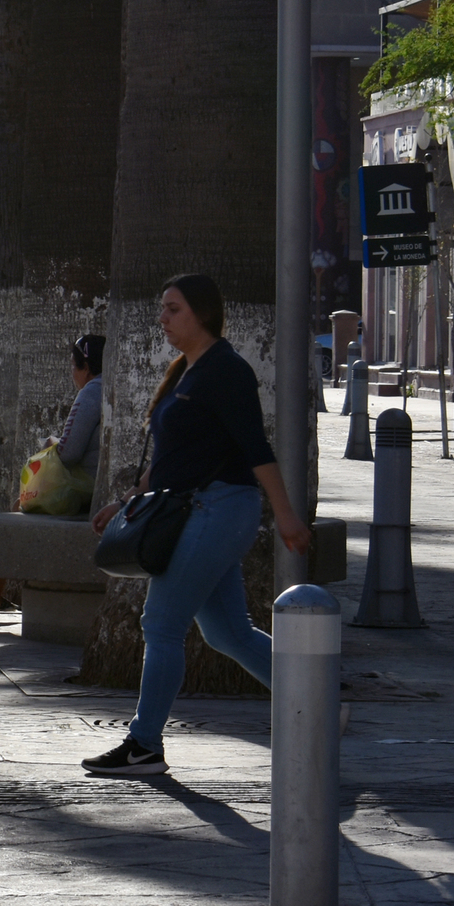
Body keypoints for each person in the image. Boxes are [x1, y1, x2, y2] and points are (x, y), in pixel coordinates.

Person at [80, 274, 311, 777]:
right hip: (195, 510)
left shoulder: (227, 370)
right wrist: (125, 501)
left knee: (161, 624)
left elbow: (256, 448)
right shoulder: (185, 370)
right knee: (228, 633)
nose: (162, 318)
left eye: (173, 309)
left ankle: (144, 746)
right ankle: (317, 705)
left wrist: (287, 515)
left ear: (202, 313)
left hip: (220, 508)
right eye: (162, 308)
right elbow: (172, 458)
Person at [0, 334, 105, 629]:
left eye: (73, 365)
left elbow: (70, 452)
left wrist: (51, 443)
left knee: (22, 505)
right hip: (95, 487)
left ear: (85, 367)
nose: (71, 373)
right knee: (21, 504)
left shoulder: (92, 391)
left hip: (85, 490)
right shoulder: (110, 388)